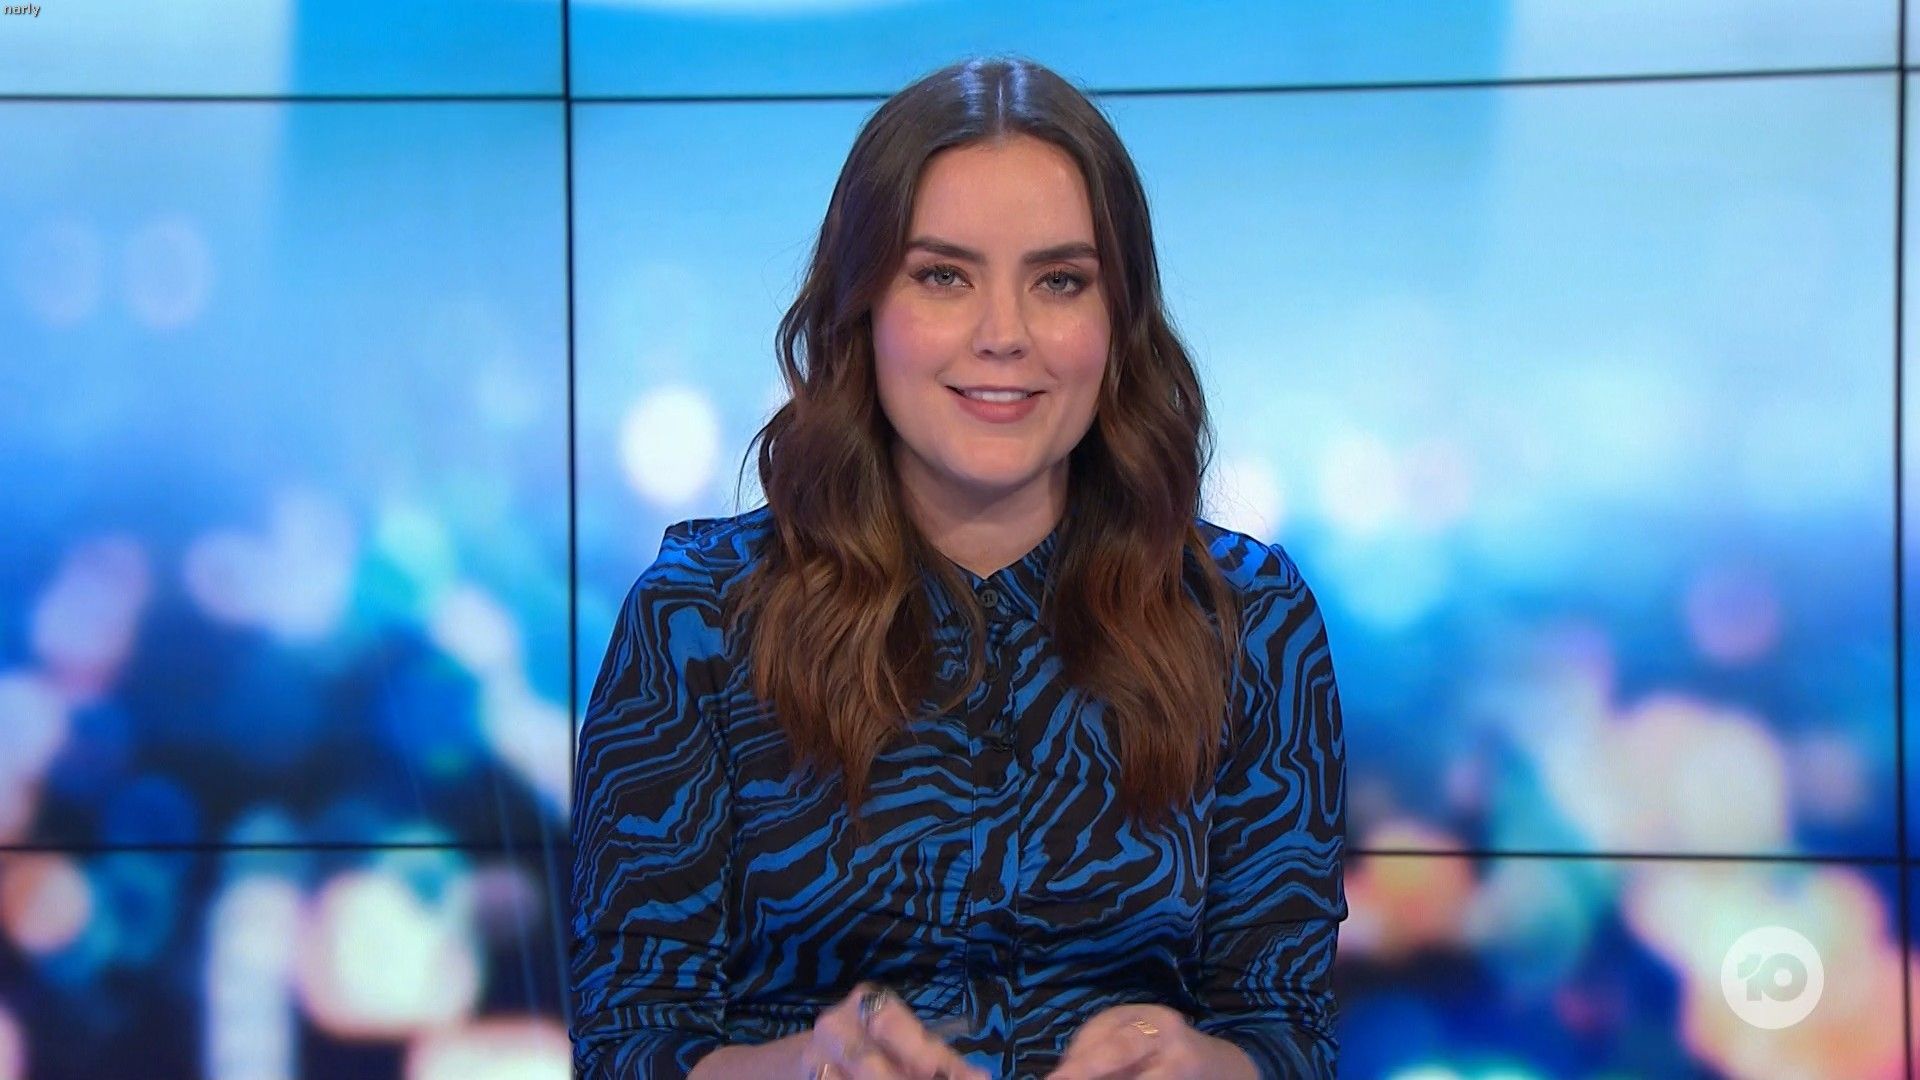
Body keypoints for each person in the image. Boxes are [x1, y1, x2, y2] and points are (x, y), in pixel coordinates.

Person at [570, 55, 1347, 1080]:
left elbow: (1287, 1027)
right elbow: (629, 1042)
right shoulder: (697, 621)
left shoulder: (1251, 621)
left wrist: (1203, 1068)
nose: (1003, 337)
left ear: (1119, 323)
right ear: (860, 308)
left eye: (1060, 282)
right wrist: (807, 1069)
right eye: (943, 276)